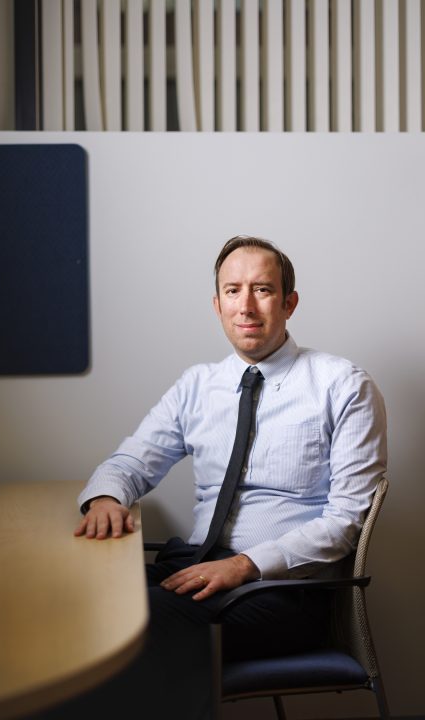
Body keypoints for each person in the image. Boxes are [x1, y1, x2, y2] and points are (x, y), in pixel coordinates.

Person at [73, 235, 387, 719]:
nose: (246, 306)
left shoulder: (342, 386)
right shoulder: (197, 385)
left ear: (289, 303)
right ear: (217, 304)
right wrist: (106, 499)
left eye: (262, 289)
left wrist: (244, 565)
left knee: (132, 624)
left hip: (281, 592)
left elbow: (346, 521)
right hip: (194, 567)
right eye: (233, 290)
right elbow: (131, 461)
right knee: (73, 602)